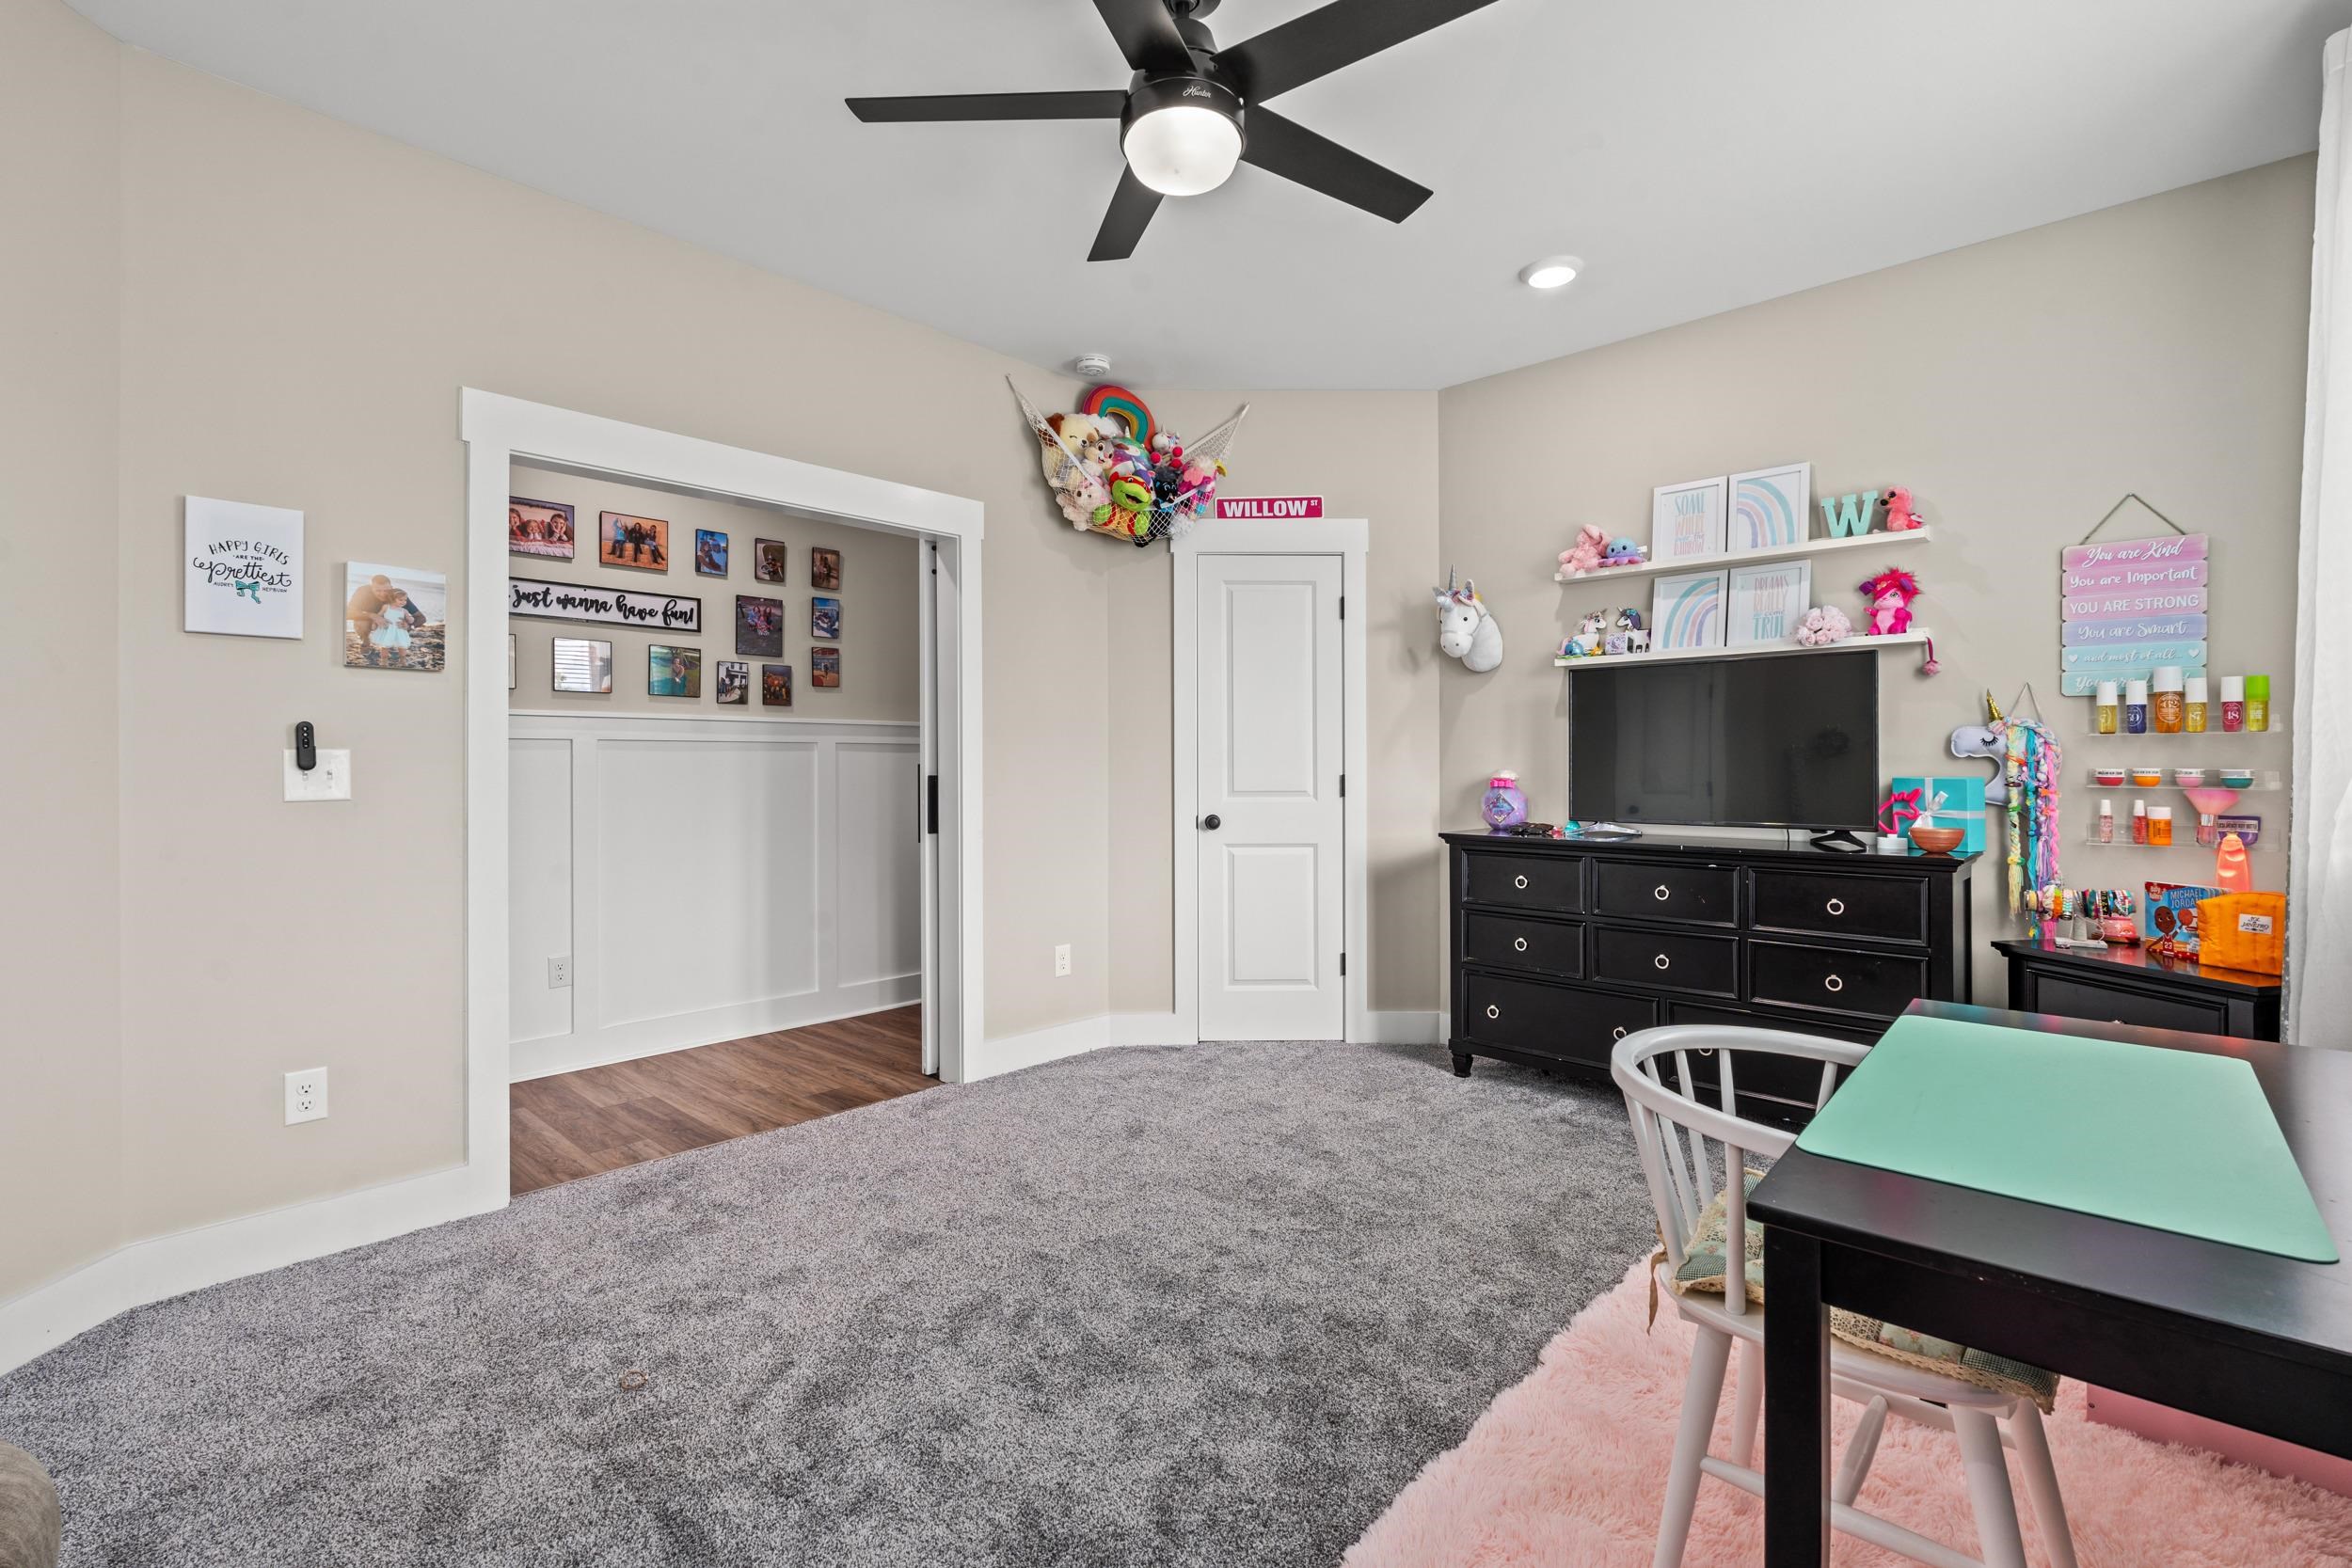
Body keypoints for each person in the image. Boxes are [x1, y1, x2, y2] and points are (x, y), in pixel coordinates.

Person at [369, 589, 414, 669]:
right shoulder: (386, 607)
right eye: (400, 600)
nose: (403, 602)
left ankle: (403, 660)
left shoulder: (404, 611)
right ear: (393, 599)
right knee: (385, 646)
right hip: (387, 629)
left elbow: (410, 620)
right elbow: (378, 616)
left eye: (405, 600)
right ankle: (384, 660)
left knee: (402, 646)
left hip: (399, 630)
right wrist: (374, 623)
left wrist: (410, 620)